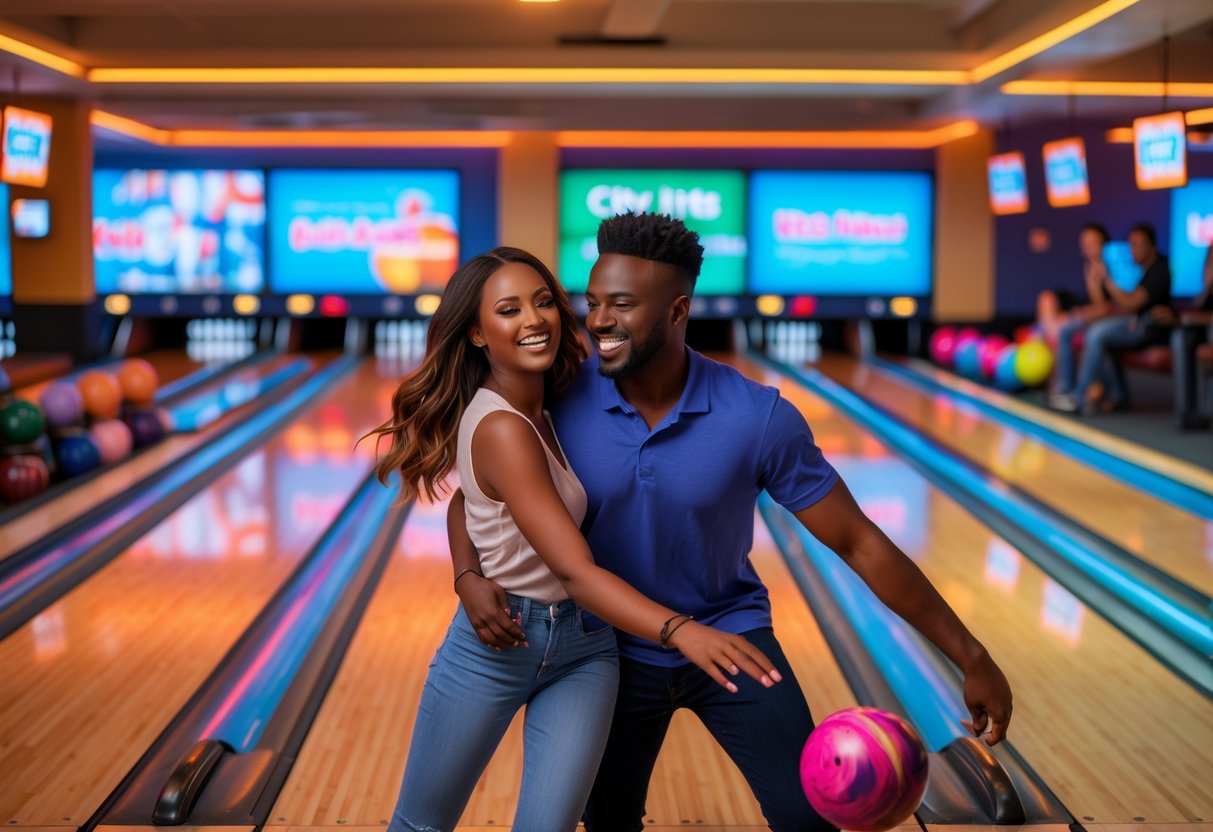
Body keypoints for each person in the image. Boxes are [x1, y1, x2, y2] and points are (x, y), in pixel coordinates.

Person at [449, 213, 1014, 832]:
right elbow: (477, 492)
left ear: (677, 310)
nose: (599, 322)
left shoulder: (757, 417)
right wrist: (468, 572)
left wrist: (970, 653)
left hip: (730, 637)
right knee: (608, 822)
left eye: (623, 304)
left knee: (807, 819)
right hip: (605, 653)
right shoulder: (557, 393)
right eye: (593, 302)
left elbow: (857, 541)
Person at [369, 246, 782, 832]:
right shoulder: (504, 427)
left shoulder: (558, 397)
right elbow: (574, 572)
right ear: (478, 334)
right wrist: (681, 629)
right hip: (499, 644)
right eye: (509, 310)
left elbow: (467, 498)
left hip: (586, 649)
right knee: (420, 826)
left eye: (543, 302)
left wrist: (464, 572)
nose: (533, 320)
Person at [1049, 223, 1173, 414]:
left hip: (1147, 326)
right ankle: (1069, 390)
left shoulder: (1153, 268)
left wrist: (1104, 281)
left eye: (1139, 245)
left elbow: (1129, 303)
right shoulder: (1125, 266)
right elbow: (1104, 304)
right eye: (1131, 244)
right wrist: (1094, 281)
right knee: (1074, 329)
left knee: (1097, 333)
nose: (1133, 250)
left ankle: (1078, 396)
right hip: (1132, 321)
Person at [1037, 222, 1116, 355]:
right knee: (1059, 324)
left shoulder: (1115, 267)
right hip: (1095, 314)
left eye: (1092, 242)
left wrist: (1080, 314)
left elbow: (1107, 308)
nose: (1087, 247)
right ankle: (1063, 375)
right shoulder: (1089, 268)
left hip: (1114, 318)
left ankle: (1074, 376)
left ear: (1104, 244)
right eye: (1084, 243)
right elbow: (1098, 305)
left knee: (1069, 329)